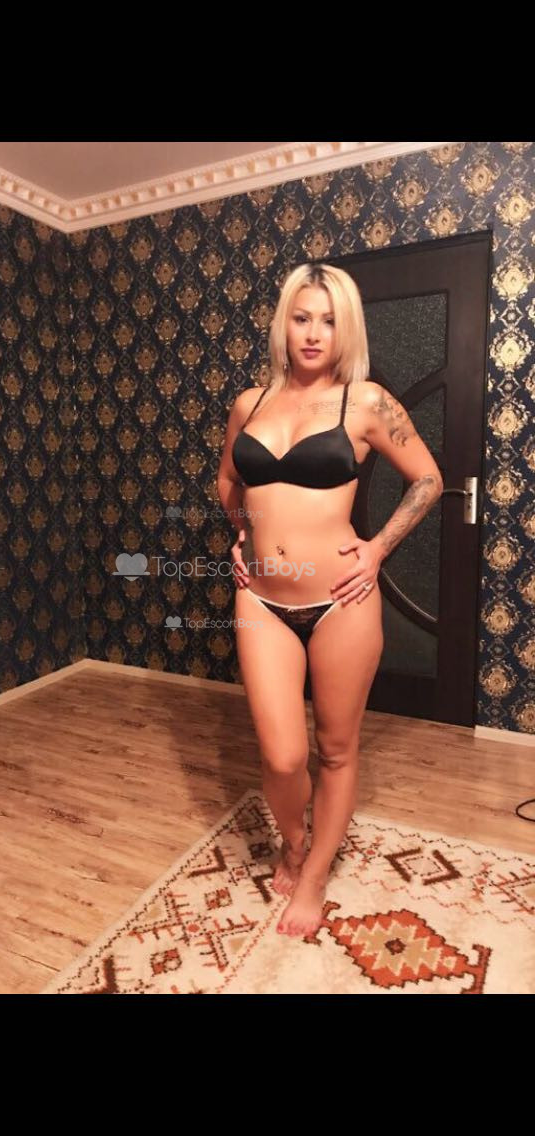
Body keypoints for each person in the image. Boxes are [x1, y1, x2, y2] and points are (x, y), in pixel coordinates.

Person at [216, 262, 443, 938]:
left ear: (347, 331)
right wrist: (242, 533)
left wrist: (376, 550)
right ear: (283, 324)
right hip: (261, 599)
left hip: (342, 601)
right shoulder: (249, 403)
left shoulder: (365, 402)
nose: (314, 333)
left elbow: (427, 481)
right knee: (282, 756)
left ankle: (314, 873)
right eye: (302, 317)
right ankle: (295, 841)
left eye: (329, 320)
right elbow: (227, 480)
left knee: (336, 749)